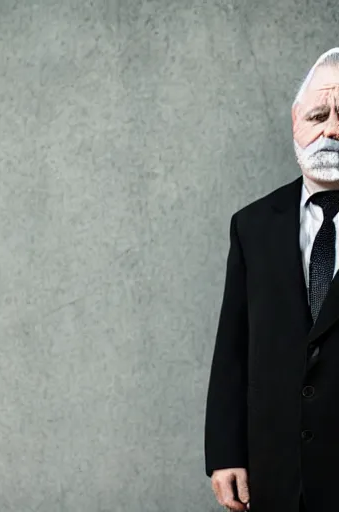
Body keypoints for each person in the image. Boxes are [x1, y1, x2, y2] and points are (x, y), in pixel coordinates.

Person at [204, 47, 339, 512]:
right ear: (295, 123)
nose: (332, 129)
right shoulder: (253, 224)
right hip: (277, 470)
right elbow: (233, 347)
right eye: (319, 114)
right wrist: (225, 454)